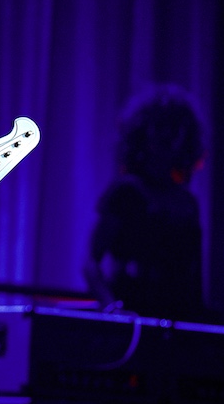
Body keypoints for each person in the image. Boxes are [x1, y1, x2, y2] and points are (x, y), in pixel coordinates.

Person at [84, 85, 208, 321]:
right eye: (160, 127)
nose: (167, 137)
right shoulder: (125, 192)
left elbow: (195, 278)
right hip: (132, 313)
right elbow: (91, 263)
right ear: (143, 132)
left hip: (176, 317)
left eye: (175, 129)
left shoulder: (187, 202)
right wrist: (113, 309)